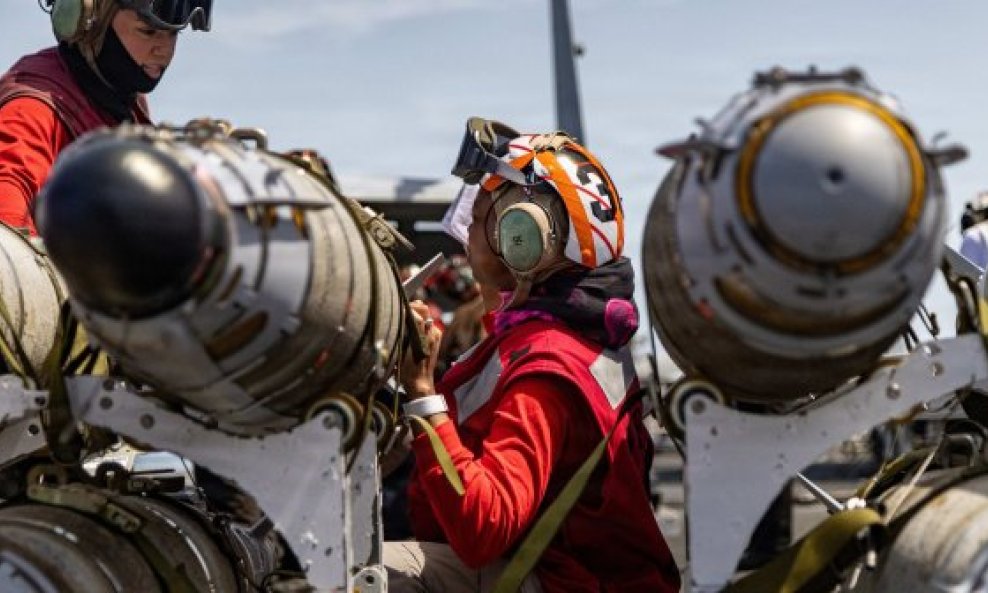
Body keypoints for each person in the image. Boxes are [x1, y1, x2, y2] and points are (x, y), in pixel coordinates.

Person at [385, 118, 680, 592]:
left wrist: (422, 396)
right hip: (569, 575)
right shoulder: (566, 338)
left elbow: (485, 527)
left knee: (361, 574)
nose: (468, 232)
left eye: (482, 215)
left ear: (522, 240)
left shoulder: (545, 367)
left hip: (560, 581)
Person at [0, 0, 212, 234]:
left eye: (174, 33)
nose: (164, 49)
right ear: (86, 20)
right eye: (148, 31)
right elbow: (5, 236)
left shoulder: (122, 97)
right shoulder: (32, 110)